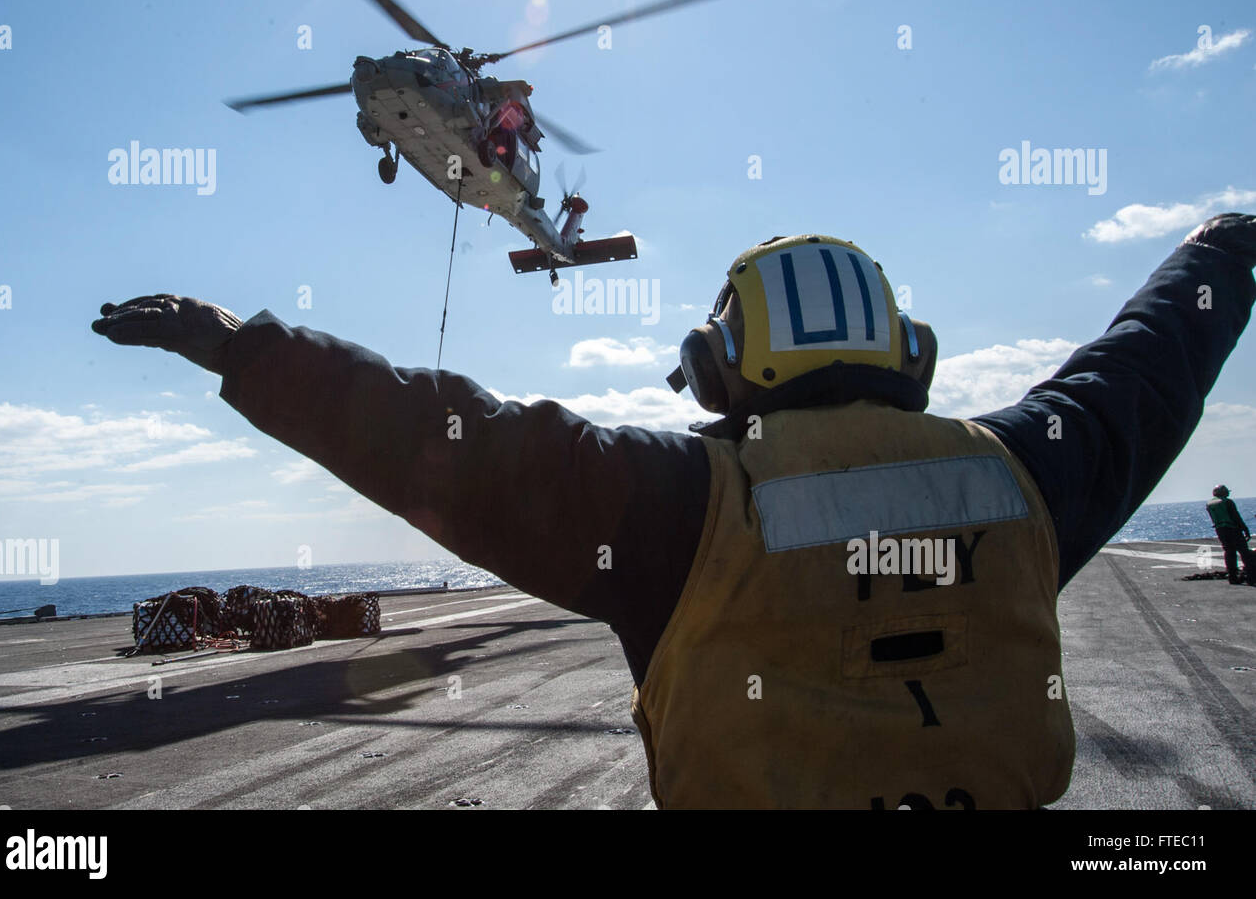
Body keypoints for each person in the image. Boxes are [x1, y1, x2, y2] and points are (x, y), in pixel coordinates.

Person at [91, 213, 1256, 809]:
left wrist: (247, 350)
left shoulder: (677, 505)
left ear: (713, 370)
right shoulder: (1027, 477)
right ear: (912, 356)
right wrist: (1225, 247)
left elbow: (448, 437)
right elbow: (1146, 366)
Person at [1205, 484, 1254, 585]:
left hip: (1220, 530)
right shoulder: (1227, 502)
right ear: (1223, 492)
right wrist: (1245, 529)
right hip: (1233, 529)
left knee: (1229, 552)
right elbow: (1235, 516)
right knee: (1244, 552)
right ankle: (1251, 577)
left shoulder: (1209, 504)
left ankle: (1232, 577)